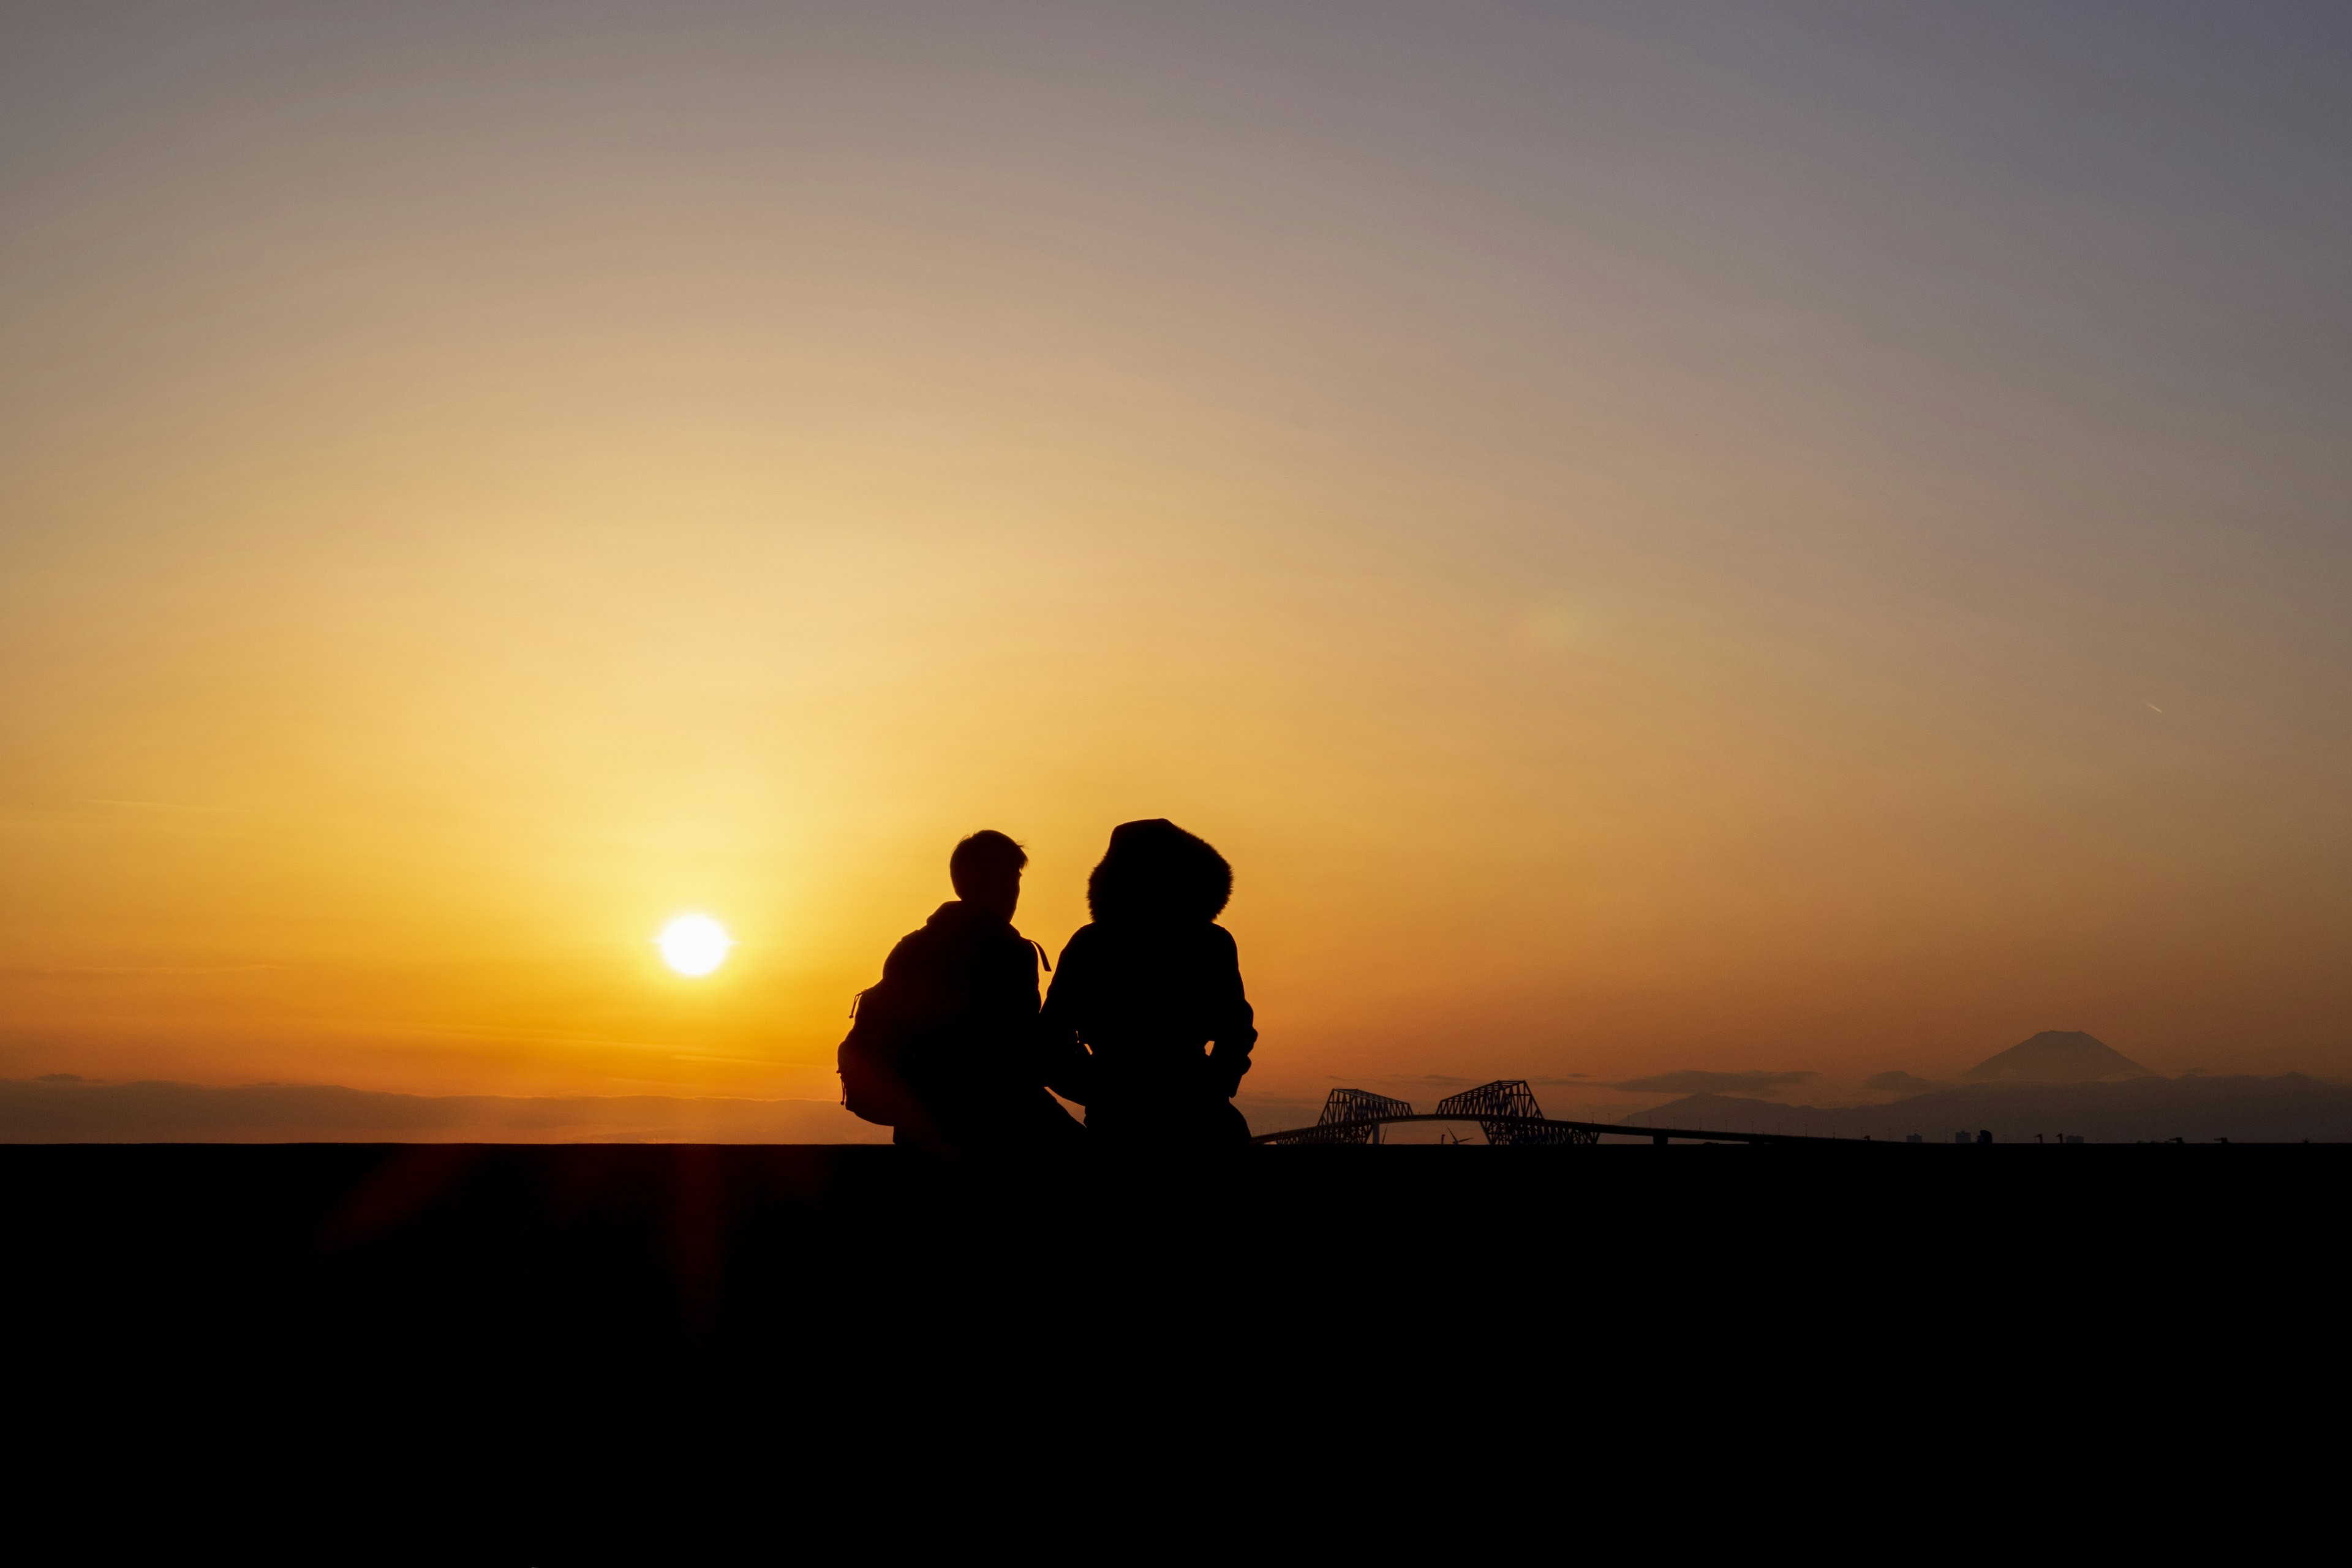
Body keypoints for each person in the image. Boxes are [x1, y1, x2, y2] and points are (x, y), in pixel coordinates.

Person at [843, 830, 1082, 1150]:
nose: (1015, 890)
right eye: (1013, 877)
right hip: (995, 1124)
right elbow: (1025, 1049)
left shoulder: (910, 949)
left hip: (921, 1125)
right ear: (1001, 883)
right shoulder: (1007, 951)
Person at [1039, 819, 1257, 1145]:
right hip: (1202, 1119)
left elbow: (1050, 1042)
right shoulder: (1211, 943)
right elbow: (1237, 1031)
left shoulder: (1091, 945)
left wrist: (1100, 1091)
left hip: (1120, 1123)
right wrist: (1214, 1085)